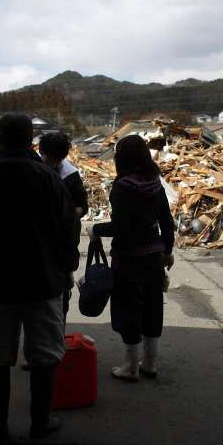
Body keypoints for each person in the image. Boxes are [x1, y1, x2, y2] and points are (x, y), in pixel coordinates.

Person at [0, 113, 77, 441]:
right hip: (44, 281)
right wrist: (67, 270)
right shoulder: (49, 179)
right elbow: (69, 229)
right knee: (44, 354)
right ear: (31, 141)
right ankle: (41, 421)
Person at [90, 134, 175, 382]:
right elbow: (166, 222)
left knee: (129, 309)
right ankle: (149, 364)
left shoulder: (122, 187)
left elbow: (122, 227)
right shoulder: (155, 183)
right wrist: (168, 250)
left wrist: (95, 229)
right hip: (153, 256)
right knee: (152, 307)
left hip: (128, 259)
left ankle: (130, 367)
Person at [39, 132, 89, 324]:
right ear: (41, 152)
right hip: (39, 241)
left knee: (61, 293)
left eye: (57, 160)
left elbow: (82, 205)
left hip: (64, 242)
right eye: (49, 159)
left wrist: (67, 215)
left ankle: (59, 332)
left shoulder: (70, 175)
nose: (53, 164)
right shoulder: (33, 170)